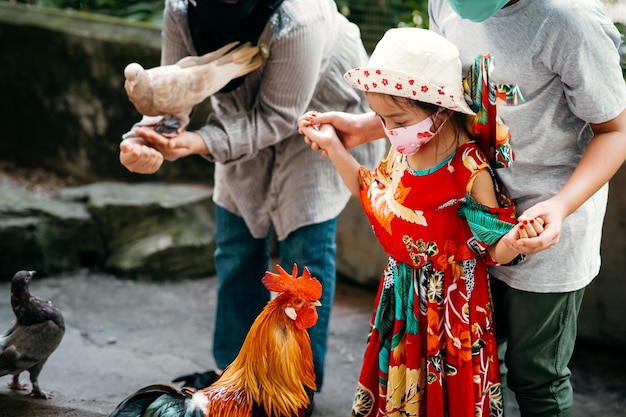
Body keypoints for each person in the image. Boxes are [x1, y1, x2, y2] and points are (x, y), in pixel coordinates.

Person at [305, 1, 626, 415]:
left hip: (545, 229)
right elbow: (438, 96)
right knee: (480, 367)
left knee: (537, 377)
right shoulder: (447, 4)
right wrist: (368, 127)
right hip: (460, 226)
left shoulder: (569, 21)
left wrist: (561, 206)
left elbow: (615, 131)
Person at [117, 0, 386, 403]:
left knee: (303, 255)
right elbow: (171, 94)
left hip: (319, 121)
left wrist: (199, 142)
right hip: (240, 117)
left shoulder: (299, 15)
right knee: (235, 243)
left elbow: (278, 117)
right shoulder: (180, 9)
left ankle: (292, 390)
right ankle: (231, 379)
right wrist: (144, 141)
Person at [299, 27, 543, 417]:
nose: (389, 130)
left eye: (397, 118)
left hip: (453, 309)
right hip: (401, 299)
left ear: (440, 110)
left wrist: (516, 240)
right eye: (381, 119)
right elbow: (370, 193)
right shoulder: (400, 156)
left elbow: (491, 243)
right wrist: (331, 145)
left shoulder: (468, 167)